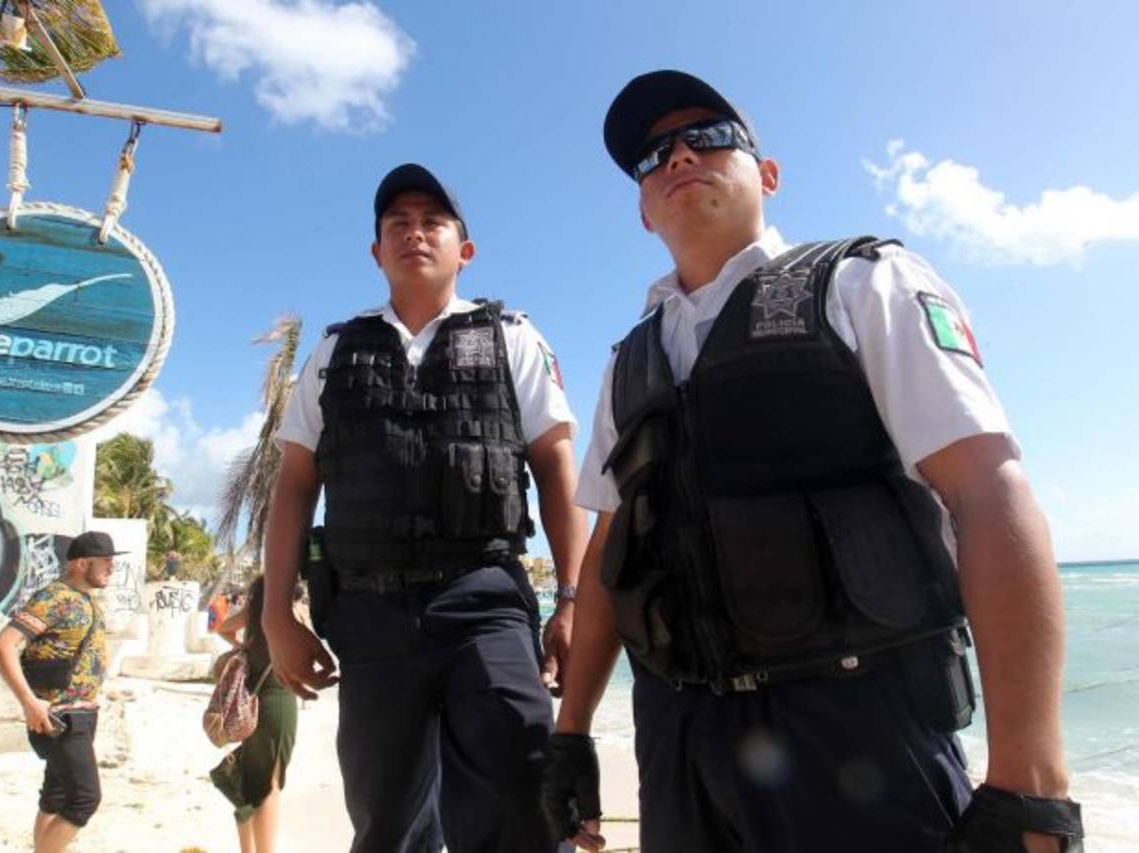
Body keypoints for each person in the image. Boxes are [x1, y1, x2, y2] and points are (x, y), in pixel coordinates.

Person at [542, 70, 1083, 853]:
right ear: (642, 208)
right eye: (654, 155)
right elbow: (607, 554)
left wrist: (1030, 781)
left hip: (859, 732)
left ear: (767, 175)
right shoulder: (630, 362)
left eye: (710, 137)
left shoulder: (863, 284)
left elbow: (986, 489)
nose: (681, 155)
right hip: (679, 742)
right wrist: (571, 732)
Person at [261, 163, 587, 852]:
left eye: (432, 222)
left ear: (464, 250)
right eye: (398, 224)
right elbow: (293, 484)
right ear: (376, 251)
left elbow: (557, 467)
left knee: (523, 800)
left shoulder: (513, 338)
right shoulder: (335, 351)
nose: (415, 233)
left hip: (484, 599)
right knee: (387, 822)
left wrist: (573, 599)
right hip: (370, 612)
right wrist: (275, 613)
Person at [0, 530, 125, 853]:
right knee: (85, 799)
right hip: (59, 715)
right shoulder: (54, 598)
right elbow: (2, 647)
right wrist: (29, 702)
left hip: (81, 712)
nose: (111, 567)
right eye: (105, 561)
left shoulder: (86, 599)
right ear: (81, 563)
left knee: (56, 797)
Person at [213, 576, 298, 853]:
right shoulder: (291, 610)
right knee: (271, 785)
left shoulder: (254, 611)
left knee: (251, 781)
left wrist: (243, 646)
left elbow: (222, 628)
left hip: (250, 702)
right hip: (278, 700)